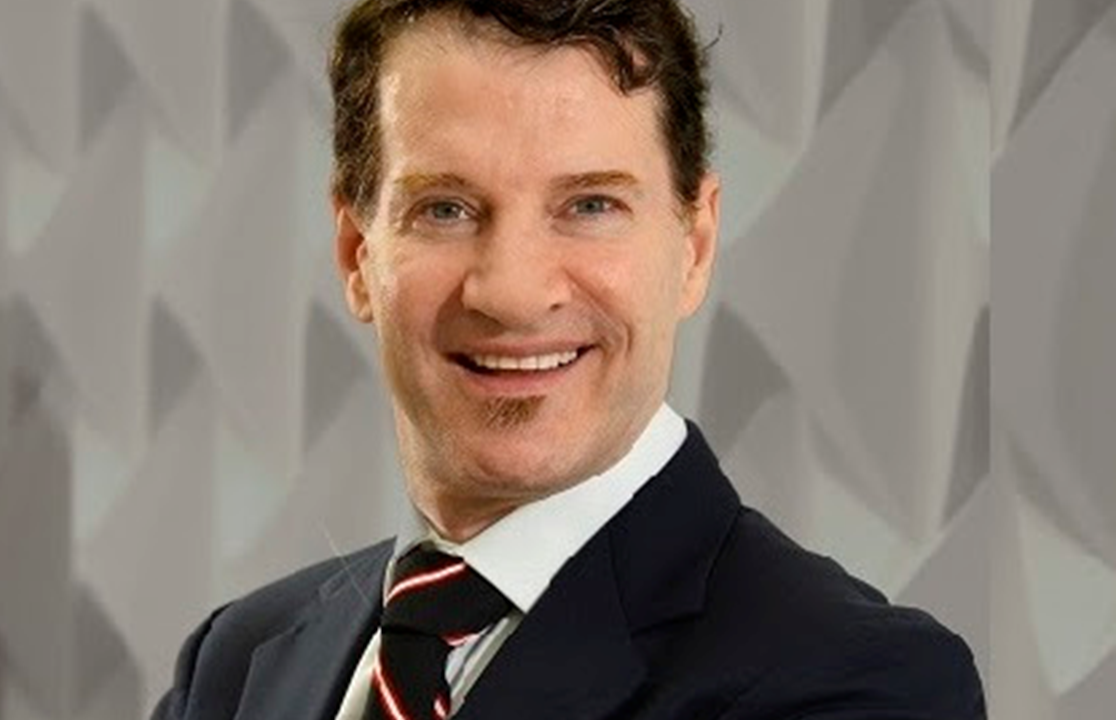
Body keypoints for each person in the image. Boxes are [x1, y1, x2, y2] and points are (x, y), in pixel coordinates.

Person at [152, 1, 986, 718]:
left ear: (694, 246)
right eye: (445, 209)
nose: (513, 293)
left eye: (590, 205)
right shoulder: (237, 665)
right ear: (355, 253)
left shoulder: (853, 681)